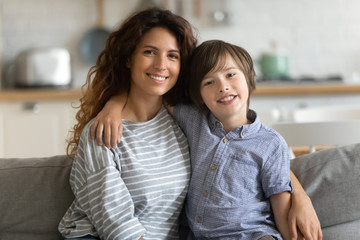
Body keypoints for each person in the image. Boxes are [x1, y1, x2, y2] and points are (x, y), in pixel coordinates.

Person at [91, 41, 323, 239]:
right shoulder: (193, 120)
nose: (222, 86)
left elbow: (280, 203)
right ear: (198, 96)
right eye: (209, 82)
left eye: (231, 74)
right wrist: (113, 104)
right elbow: (150, 93)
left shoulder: (271, 144)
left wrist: (296, 213)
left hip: (253, 234)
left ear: (249, 79)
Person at [58, 8, 197, 240]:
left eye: (173, 55)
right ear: (128, 59)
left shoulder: (183, 122)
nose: (161, 64)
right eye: (150, 52)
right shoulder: (102, 131)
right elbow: (116, 223)